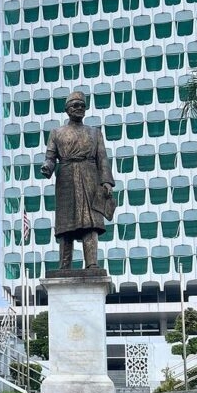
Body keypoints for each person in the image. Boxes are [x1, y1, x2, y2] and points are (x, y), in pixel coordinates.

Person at [40, 89, 115, 269]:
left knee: (91, 223)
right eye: (75, 105)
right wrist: (47, 167)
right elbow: (50, 157)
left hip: (90, 177)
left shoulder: (95, 133)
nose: (79, 108)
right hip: (66, 177)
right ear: (67, 109)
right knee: (66, 224)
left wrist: (106, 181)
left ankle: (92, 263)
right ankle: (64, 265)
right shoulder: (57, 133)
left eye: (82, 106)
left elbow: (103, 158)